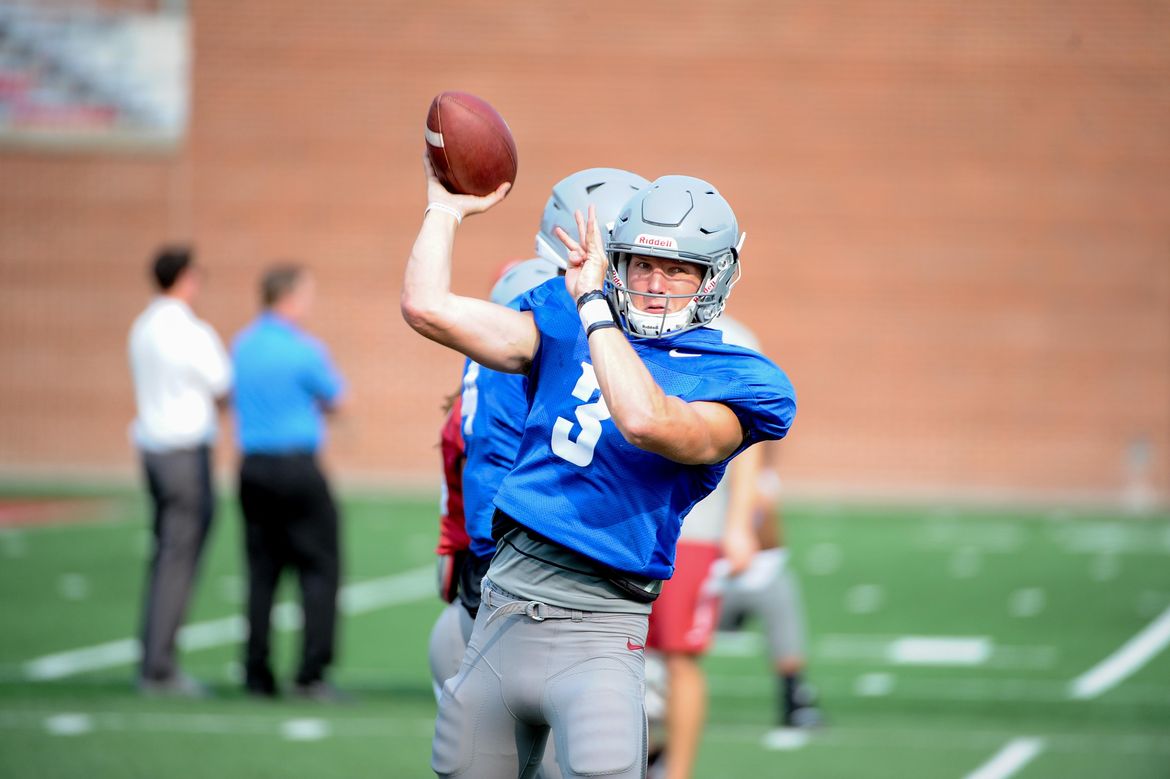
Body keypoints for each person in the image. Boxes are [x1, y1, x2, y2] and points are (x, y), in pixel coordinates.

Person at [402, 159, 797, 778]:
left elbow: (647, 420)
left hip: (601, 633)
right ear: (619, 261)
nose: (656, 284)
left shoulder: (739, 377)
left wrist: (593, 307)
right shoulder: (562, 320)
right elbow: (427, 309)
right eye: (643, 264)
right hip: (503, 610)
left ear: (714, 278)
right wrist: (445, 210)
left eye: (678, 269)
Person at [643, 315, 766, 779]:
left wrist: (739, 525)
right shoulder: (621, 324)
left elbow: (752, 441)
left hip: (693, 526)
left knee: (679, 654)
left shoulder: (735, 337)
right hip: (624, 520)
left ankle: (677, 773)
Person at [231, 263, 346, 700]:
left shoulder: (242, 345)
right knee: (319, 569)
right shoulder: (304, 349)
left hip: (253, 467)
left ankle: (255, 673)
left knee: (262, 572)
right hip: (298, 468)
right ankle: (310, 673)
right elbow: (337, 398)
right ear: (290, 297)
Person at [129, 245, 232, 696]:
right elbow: (222, 385)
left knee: (164, 555)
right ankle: (159, 667)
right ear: (185, 278)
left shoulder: (143, 326)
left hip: (152, 450)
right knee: (178, 559)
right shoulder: (190, 330)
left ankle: (152, 656)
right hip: (184, 453)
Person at [715, 448, 822, 731]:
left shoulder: (762, 479)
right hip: (714, 574)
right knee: (671, 647)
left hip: (759, 571)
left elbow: (770, 538)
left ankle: (794, 694)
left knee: (781, 592)